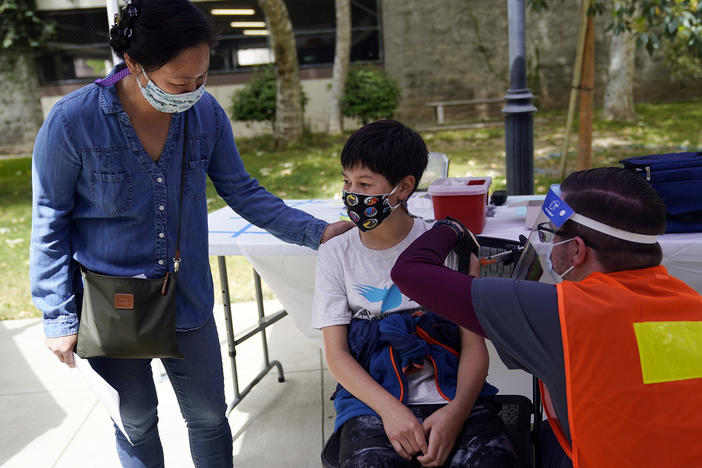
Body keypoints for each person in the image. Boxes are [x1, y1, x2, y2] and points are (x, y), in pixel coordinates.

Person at [29, 1, 350, 467]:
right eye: (181, 82)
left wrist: (317, 232)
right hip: (111, 303)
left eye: (202, 79)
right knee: (134, 421)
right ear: (135, 66)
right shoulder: (72, 122)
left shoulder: (205, 114)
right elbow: (49, 221)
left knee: (207, 417)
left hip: (188, 298)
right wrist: (58, 317)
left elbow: (241, 189)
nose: (193, 92)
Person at [391, 167, 702, 467]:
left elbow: (410, 272)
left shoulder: (564, 313)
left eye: (552, 234)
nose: (549, 247)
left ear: (577, 250)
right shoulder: (693, 305)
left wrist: (453, 226)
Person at [311, 119, 518, 467]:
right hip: (372, 402)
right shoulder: (337, 253)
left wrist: (455, 415)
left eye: (365, 184)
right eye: (347, 182)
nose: (352, 194)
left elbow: (473, 346)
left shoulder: (447, 248)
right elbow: (337, 355)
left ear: (404, 187)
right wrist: (391, 411)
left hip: (454, 395)